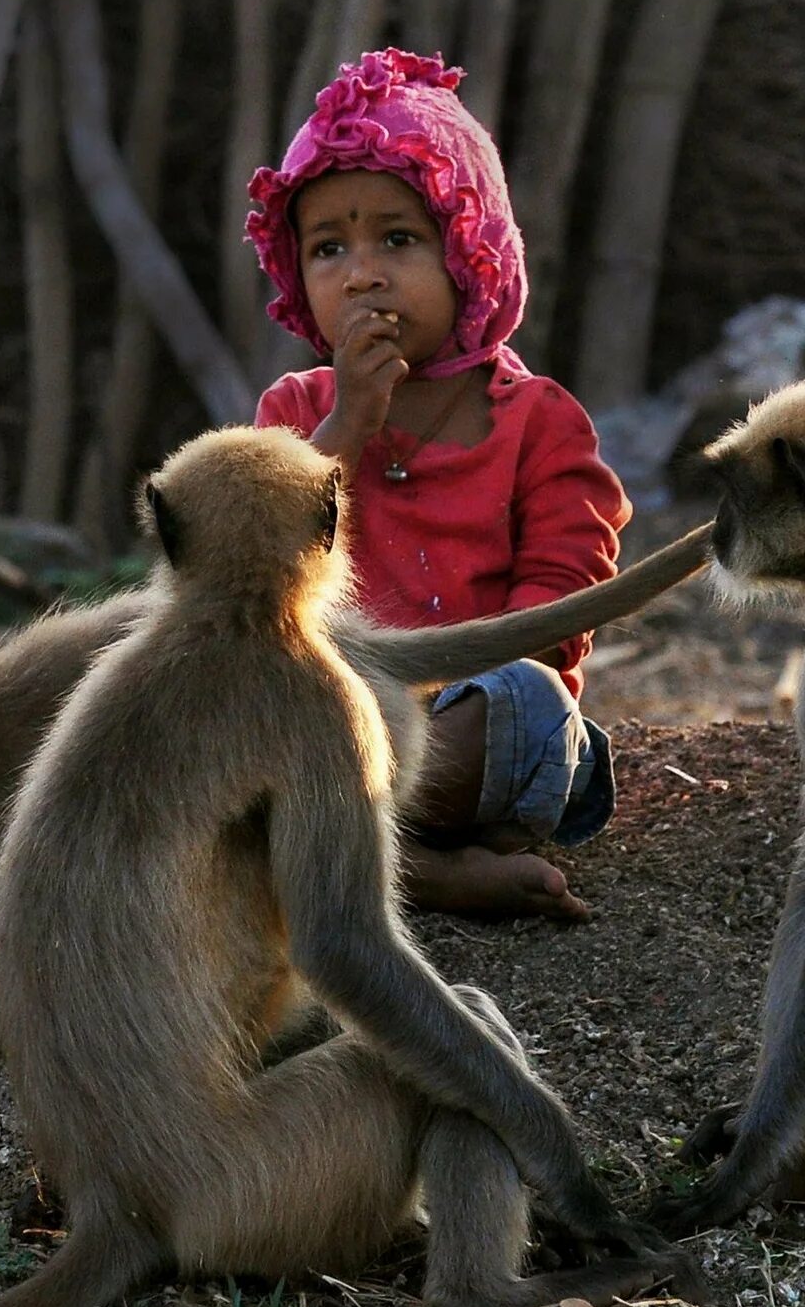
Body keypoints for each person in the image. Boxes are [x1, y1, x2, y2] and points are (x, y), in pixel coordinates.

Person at [247, 48, 627, 922]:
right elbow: (256, 568)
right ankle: (411, 867)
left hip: (470, 723)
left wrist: (437, 708)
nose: (363, 273)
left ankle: (350, 856)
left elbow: (562, 609)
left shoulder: (540, 422)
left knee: (532, 700)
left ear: (471, 252)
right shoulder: (296, 411)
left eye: (400, 238)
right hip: (327, 723)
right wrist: (346, 428)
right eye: (329, 248)